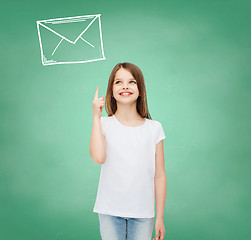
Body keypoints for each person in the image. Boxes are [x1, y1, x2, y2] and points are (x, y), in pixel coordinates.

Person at [90, 62, 167, 240]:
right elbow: (99, 157)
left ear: (140, 89)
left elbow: (160, 175)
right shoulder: (103, 124)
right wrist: (95, 116)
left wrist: (160, 217)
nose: (125, 86)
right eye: (118, 82)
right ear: (111, 90)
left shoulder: (154, 128)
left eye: (131, 82)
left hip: (143, 213)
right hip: (109, 211)